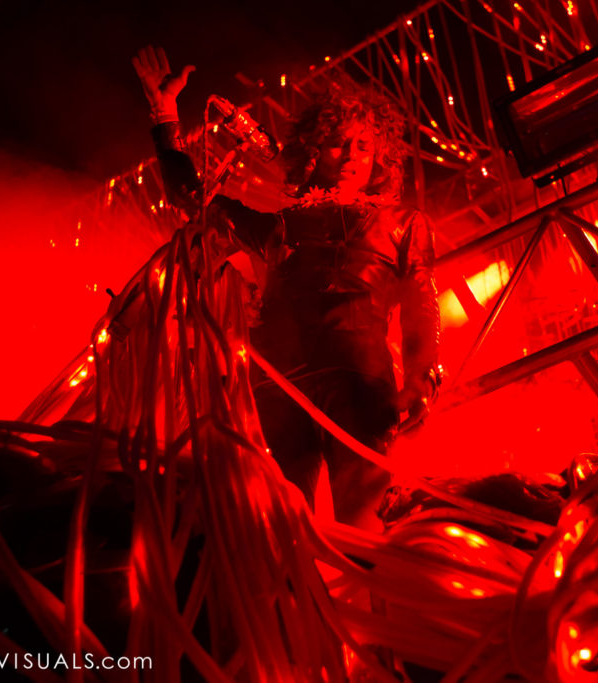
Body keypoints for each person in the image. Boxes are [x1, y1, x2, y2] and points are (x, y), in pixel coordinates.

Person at [132, 46, 440, 527]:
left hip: (358, 384)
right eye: (338, 143)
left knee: (362, 532)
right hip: (279, 385)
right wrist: (164, 114)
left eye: (363, 146)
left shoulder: (402, 222)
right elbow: (191, 197)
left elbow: (423, 302)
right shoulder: (279, 227)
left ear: (380, 156)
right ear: (312, 151)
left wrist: (422, 377)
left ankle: (371, 601)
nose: (351, 157)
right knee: (280, 536)